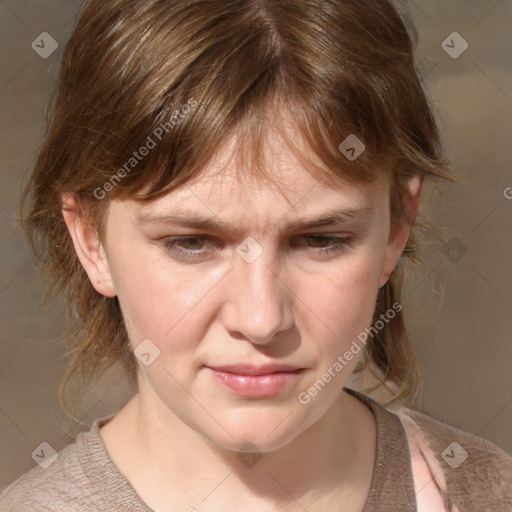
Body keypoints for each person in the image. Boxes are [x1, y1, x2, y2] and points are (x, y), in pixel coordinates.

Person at [1, 0, 511, 510]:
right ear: (91, 240)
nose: (262, 320)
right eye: (191, 242)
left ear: (398, 226)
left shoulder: (490, 491)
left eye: (320, 240)